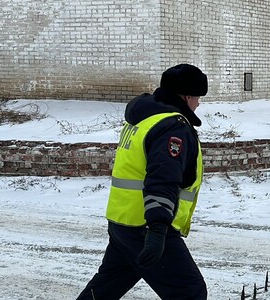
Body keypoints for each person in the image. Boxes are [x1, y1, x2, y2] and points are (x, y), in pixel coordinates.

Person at [78, 64, 208, 299]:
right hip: (147, 227)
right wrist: (157, 229)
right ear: (187, 96)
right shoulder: (172, 127)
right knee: (189, 291)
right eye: (198, 98)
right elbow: (163, 178)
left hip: (123, 222)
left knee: (105, 288)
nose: (198, 104)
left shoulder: (143, 119)